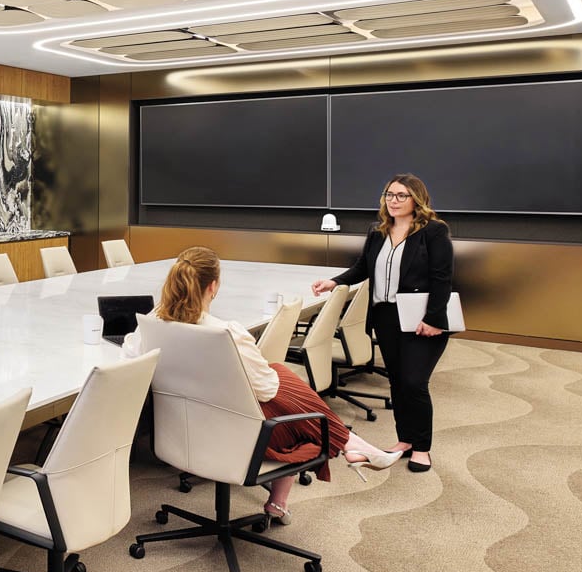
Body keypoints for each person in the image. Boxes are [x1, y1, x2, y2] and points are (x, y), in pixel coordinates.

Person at [127, 246, 400, 525]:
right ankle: (347, 445)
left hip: (176, 431)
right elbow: (267, 389)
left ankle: (322, 466)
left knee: (281, 389)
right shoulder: (226, 333)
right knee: (283, 390)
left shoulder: (151, 324)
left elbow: (132, 354)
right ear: (214, 286)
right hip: (233, 436)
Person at [312, 173, 453, 474]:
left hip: (422, 317)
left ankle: (423, 448)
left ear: (417, 199)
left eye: (401, 195)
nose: (393, 200)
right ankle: (406, 441)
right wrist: (334, 281)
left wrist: (434, 319)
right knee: (398, 381)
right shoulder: (378, 231)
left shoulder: (434, 231)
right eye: (389, 194)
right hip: (386, 316)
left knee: (415, 382)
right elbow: (363, 267)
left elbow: (442, 277)